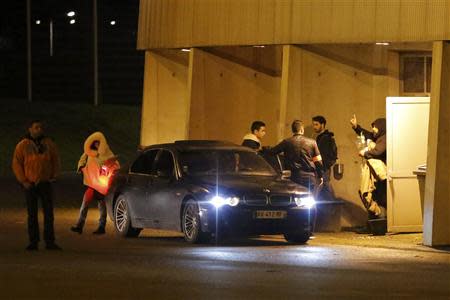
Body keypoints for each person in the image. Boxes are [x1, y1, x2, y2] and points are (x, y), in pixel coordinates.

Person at [12, 120, 61, 251]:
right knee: (32, 214)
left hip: (45, 183)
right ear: (30, 129)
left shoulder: (49, 144)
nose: (39, 129)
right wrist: (23, 181)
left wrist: (54, 176)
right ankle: (33, 242)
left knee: (49, 214)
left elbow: (55, 160)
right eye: (36, 127)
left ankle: (49, 242)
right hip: (30, 184)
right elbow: (17, 164)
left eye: (40, 127)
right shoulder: (23, 145)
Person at [71, 132, 119, 235]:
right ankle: (80, 225)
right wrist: (81, 168)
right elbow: (82, 160)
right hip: (92, 183)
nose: (97, 145)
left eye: (98, 143)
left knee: (101, 204)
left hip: (102, 184)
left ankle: (101, 226)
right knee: (86, 201)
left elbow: (114, 165)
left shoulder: (107, 153)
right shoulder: (88, 153)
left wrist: (108, 169)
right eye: (95, 143)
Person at [350, 114, 387, 225]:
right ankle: (373, 224)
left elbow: (378, 151)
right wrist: (356, 127)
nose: (373, 130)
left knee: (372, 196)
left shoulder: (384, 138)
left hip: (380, 176)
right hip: (377, 175)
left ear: (381, 127)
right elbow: (367, 134)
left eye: (375, 127)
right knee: (372, 196)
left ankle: (379, 220)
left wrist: (365, 153)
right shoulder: (379, 137)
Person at [271, 120, 324, 192]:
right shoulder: (312, 142)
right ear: (302, 129)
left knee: (293, 198)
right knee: (309, 198)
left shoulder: (286, 142)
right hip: (309, 177)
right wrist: (320, 175)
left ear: (293, 130)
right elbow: (318, 161)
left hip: (293, 176)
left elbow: (272, 152)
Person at [312, 115, 338, 201]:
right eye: (313, 124)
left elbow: (321, 154)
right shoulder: (323, 137)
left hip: (322, 167)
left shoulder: (324, 138)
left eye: (316, 124)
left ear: (322, 125)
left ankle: (333, 204)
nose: (314, 127)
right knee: (325, 185)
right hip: (323, 167)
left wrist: (317, 164)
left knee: (322, 185)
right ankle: (332, 204)